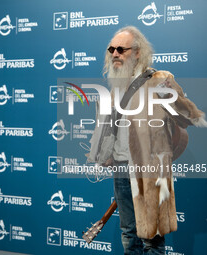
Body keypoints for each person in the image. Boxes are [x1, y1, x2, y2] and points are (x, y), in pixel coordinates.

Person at [87, 26, 207, 254]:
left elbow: (185, 118)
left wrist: (174, 96)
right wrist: (106, 154)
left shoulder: (159, 80)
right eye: (111, 49)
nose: (115, 54)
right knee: (128, 234)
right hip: (122, 170)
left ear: (138, 52)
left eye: (121, 49)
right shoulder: (115, 90)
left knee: (151, 238)